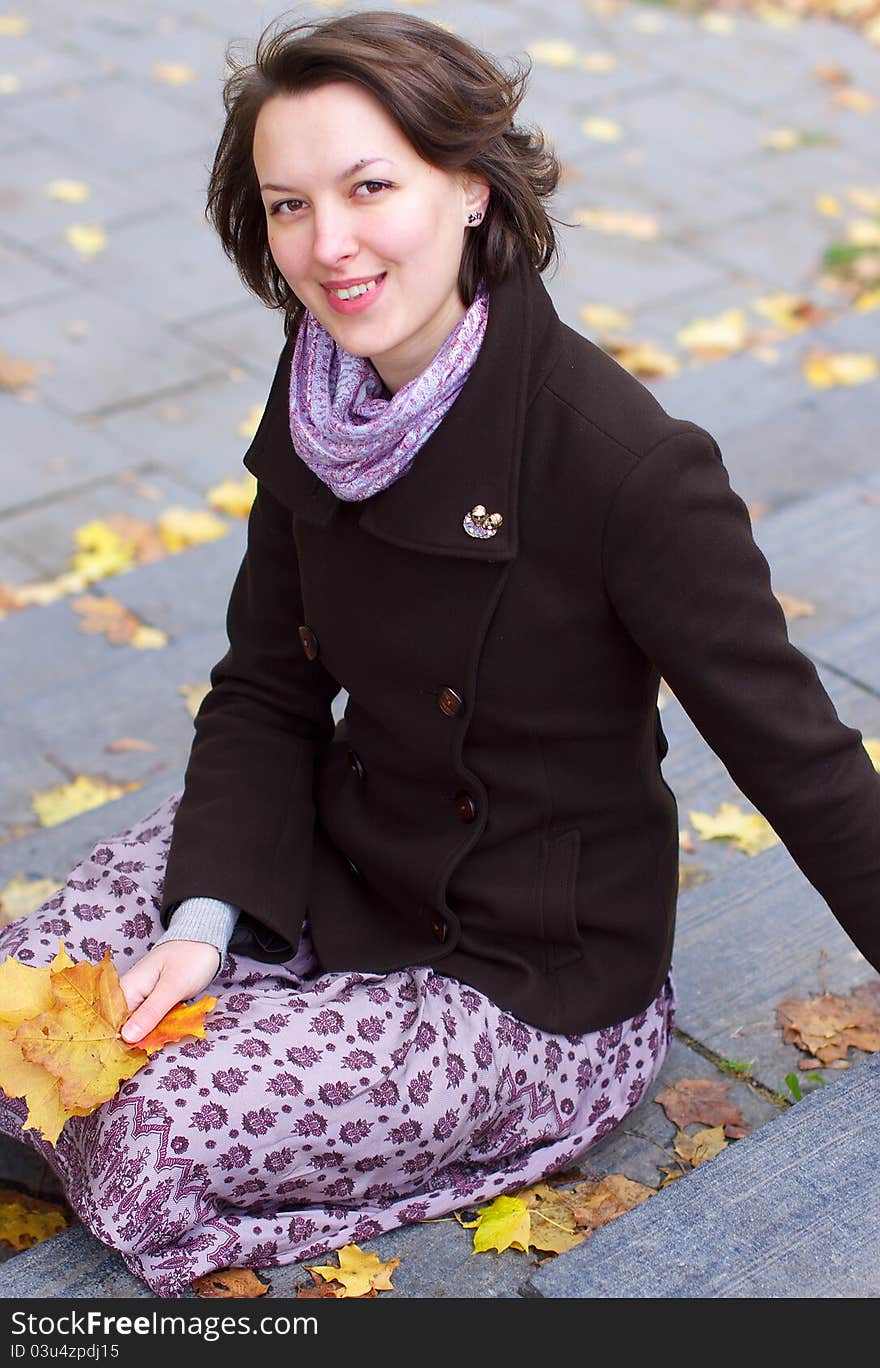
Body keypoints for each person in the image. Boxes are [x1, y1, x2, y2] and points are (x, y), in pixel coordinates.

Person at [1, 8, 878, 1299]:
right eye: (287, 205)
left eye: (369, 188)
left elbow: (799, 755)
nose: (329, 246)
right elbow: (266, 682)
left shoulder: (623, 466)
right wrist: (203, 925)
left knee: (151, 1121)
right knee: (30, 1009)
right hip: (341, 852)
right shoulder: (318, 390)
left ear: (469, 185)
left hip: (525, 977)